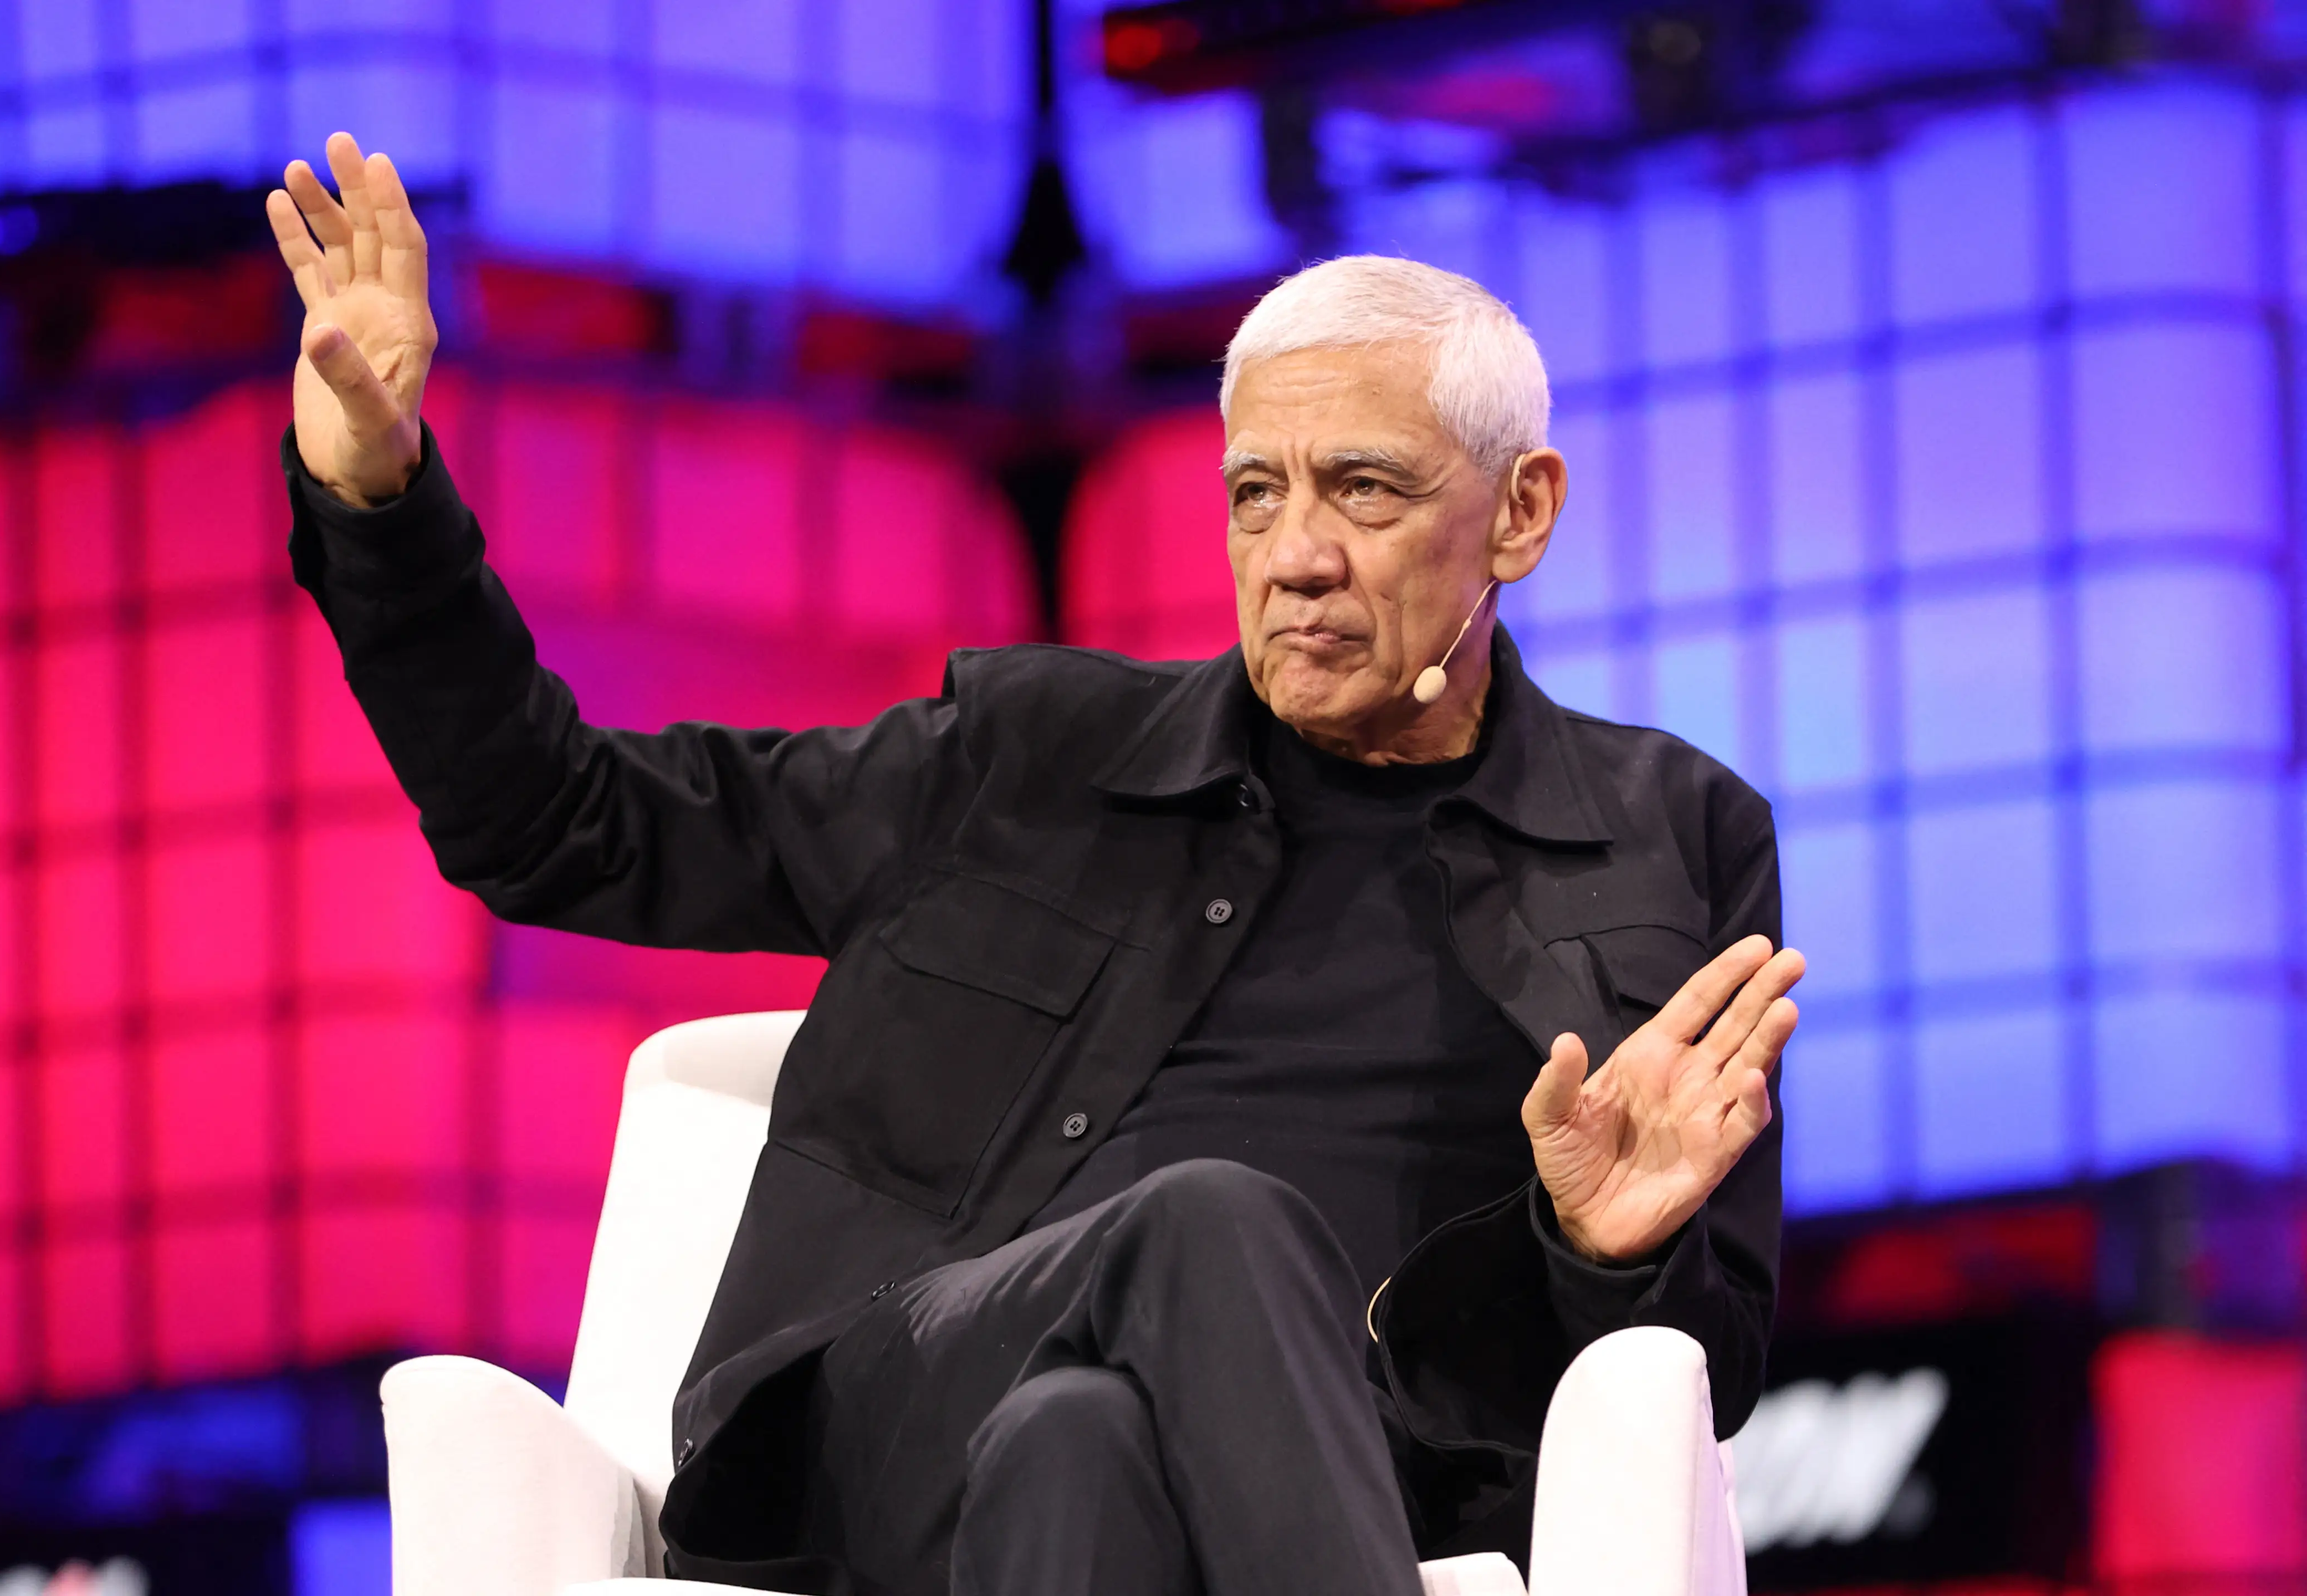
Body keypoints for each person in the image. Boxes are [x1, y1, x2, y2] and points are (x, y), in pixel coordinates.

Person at [269, 132, 1804, 1596]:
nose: (1295, 555)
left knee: (1080, 1451)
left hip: (1347, 1452)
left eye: (1367, 489)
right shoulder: (1030, 754)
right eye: (1256, 493)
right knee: (1213, 1223)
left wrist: (1607, 1253)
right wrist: (380, 503)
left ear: (1520, 513)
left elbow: (1705, 1370)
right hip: (897, 1406)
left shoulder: (1669, 834)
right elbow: (559, 825)